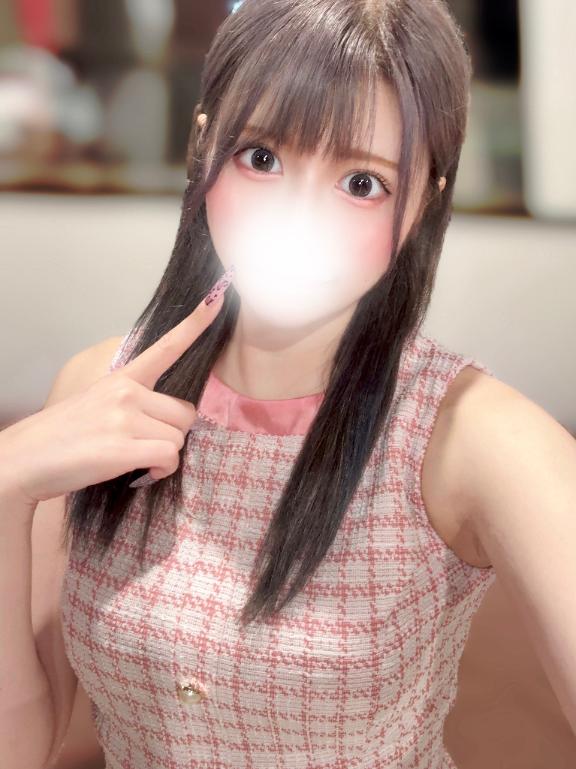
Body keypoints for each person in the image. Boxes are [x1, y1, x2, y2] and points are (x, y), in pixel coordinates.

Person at [2, 1, 575, 767]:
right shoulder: (96, 390)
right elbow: (19, 745)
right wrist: (6, 485)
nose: (298, 214)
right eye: (262, 157)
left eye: (362, 182)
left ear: (426, 199)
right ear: (203, 143)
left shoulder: (474, 435)